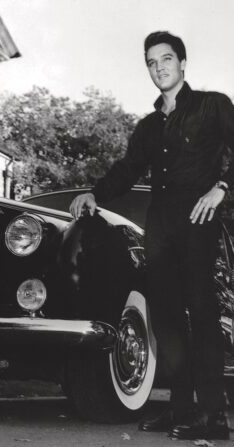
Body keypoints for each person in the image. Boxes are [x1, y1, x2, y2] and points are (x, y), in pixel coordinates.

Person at [70, 31, 234, 440]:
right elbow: (127, 170)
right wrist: (95, 191)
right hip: (159, 223)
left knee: (201, 313)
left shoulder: (213, 105)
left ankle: (212, 415)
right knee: (166, 317)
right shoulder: (148, 125)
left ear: (182, 62)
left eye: (166, 59)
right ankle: (180, 410)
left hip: (198, 217)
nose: (159, 68)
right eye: (151, 62)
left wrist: (223, 187)